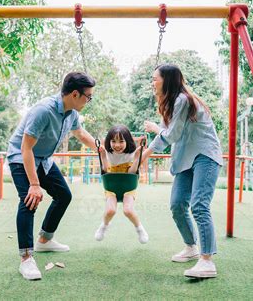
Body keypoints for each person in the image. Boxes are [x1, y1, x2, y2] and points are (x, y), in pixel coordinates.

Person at [7, 72, 98, 280]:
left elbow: (81, 134)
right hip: (22, 157)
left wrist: (100, 149)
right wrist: (34, 184)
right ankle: (26, 258)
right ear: (75, 94)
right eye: (88, 97)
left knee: (63, 195)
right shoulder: (44, 111)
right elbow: (25, 148)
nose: (89, 101)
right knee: (30, 201)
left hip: (44, 159)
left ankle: (45, 240)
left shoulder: (71, 112)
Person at [142, 64, 223, 278]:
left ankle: (207, 261)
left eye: (155, 79)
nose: (152, 83)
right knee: (177, 205)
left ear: (167, 80)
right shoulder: (169, 104)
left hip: (205, 156)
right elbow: (171, 134)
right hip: (185, 159)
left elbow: (171, 135)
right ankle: (191, 247)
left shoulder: (183, 100)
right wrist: (157, 133)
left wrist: (145, 154)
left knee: (199, 205)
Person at [95, 125, 149, 244]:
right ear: (109, 141)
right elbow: (105, 170)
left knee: (128, 210)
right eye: (113, 141)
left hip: (128, 187)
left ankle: (140, 229)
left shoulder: (132, 153)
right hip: (111, 186)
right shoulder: (107, 153)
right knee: (110, 210)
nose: (117, 145)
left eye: (121, 141)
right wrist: (103, 156)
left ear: (127, 141)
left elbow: (131, 173)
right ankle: (104, 226)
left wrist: (136, 159)